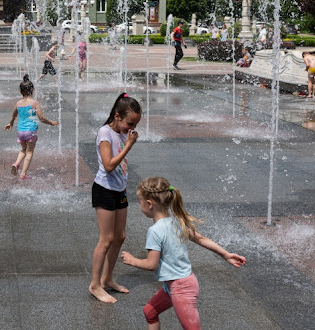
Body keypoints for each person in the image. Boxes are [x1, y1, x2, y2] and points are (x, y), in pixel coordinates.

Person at [121, 176, 246, 330]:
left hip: (181, 288)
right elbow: (201, 239)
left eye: (139, 202)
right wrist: (225, 254)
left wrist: (133, 261)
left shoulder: (154, 231)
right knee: (149, 312)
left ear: (149, 204)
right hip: (174, 284)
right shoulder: (176, 221)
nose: (139, 206)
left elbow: (151, 264)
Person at [89, 93, 142, 304]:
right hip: (104, 189)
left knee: (120, 236)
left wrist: (126, 139)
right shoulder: (105, 133)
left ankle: (108, 279)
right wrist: (129, 145)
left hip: (119, 190)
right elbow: (109, 165)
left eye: (135, 124)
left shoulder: (121, 132)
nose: (132, 128)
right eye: (130, 123)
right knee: (107, 238)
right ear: (117, 115)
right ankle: (95, 285)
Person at [4, 75, 58, 180]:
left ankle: (16, 163)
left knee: (23, 149)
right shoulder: (34, 103)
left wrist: (10, 124)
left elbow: (13, 115)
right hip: (31, 131)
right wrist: (51, 122)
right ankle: (23, 174)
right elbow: (41, 118)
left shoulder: (18, 103)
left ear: (20, 91)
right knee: (29, 152)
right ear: (32, 91)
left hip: (20, 130)